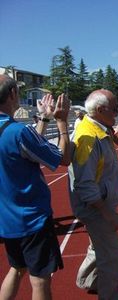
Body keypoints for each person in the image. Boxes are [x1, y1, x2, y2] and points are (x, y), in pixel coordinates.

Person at [0, 75, 71, 299]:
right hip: (32, 219)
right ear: (12, 94)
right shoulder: (18, 132)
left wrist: (42, 118)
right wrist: (61, 122)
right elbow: (63, 158)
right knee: (40, 279)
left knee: (16, 268)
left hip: (6, 219)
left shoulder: (15, 133)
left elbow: (27, 151)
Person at [68, 89, 118, 299]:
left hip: (100, 204)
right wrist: (108, 214)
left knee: (97, 245)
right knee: (112, 260)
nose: (117, 113)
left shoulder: (100, 129)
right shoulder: (88, 138)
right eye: (115, 108)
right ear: (100, 110)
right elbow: (84, 183)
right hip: (96, 208)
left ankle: (88, 280)